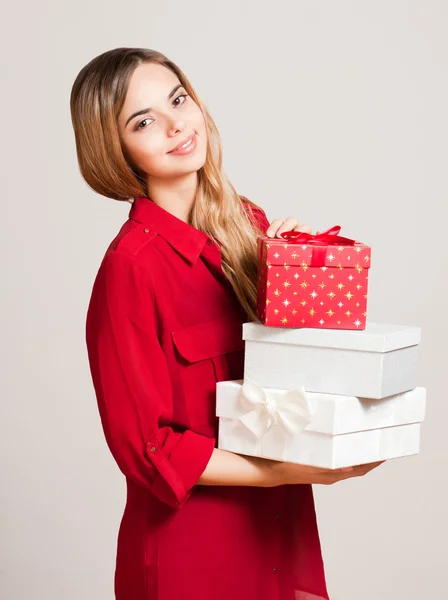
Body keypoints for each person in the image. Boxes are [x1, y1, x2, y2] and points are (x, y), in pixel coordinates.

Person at [70, 47, 382, 600]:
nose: (174, 125)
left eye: (177, 99)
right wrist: (289, 470)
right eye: (144, 121)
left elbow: (296, 372)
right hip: (193, 554)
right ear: (115, 150)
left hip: (279, 535)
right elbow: (149, 451)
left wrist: (301, 268)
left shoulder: (247, 224)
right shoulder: (130, 270)